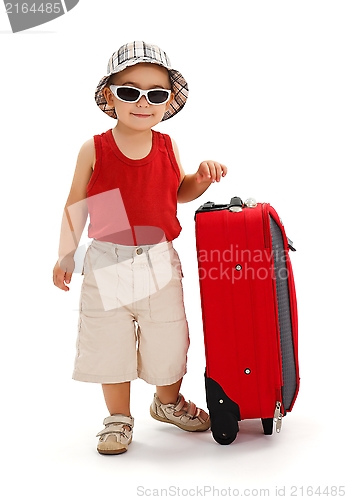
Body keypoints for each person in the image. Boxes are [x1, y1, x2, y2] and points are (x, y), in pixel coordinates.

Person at [53, 41, 227, 455]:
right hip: (107, 260)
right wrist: (65, 253)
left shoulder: (167, 146)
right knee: (108, 341)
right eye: (130, 91)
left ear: (168, 102)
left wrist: (199, 180)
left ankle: (166, 403)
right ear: (111, 96)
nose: (143, 102)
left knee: (168, 338)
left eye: (156, 94)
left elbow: (177, 191)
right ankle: (118, 418)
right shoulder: (95, 148)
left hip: (158, 260)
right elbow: (76, 202)